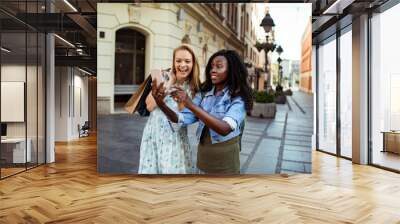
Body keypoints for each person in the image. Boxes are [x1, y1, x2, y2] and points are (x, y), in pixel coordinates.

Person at [152, 49, 253, 174]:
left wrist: (189, 103)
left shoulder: (238, 98)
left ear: (231, 70)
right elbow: (181, 119)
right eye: (211, 67)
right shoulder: (204, 93)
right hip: (203, 159)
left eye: (219, 67)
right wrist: (161, 104)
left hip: (226, 163)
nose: (213, 70)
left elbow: (225, 128)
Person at [138, 44, 201, 174]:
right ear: (173, 62)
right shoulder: (162, 77)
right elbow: (149, 106)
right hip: (153, 134)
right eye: (178, 61)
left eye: (187, 61)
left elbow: (183, 116)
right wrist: (169, 83)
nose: (182, 65)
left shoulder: (194, 88)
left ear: (193, 63)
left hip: (175, 138)